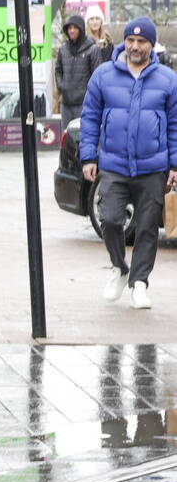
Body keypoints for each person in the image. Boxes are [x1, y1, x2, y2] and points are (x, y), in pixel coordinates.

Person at [79, 16, 177, 310]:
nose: (136, 46)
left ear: (151, 44)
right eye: (131, 41)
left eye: (142, 41)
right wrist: (88, 156)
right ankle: (119, 267)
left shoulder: (168, 80)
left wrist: (174, 165)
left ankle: (139, 283)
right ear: (125, 42)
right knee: (109, 219)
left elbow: (175, 123)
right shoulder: (103, 75)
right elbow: (90, 117)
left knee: (147, 227)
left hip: (153, 168)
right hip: (113, 165)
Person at [55, 14, 102, 131]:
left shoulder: (92, 49)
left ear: (81, 29)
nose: (71, 31)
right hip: (66, 103)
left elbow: (97, 75)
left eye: (74, 28)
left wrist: (89, 93)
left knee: (84, 137)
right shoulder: (63, 49)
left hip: (84, 103)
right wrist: (62, 86)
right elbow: (58, 71)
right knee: (66, 138)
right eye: (69, 28)